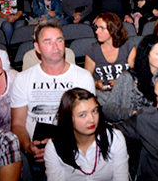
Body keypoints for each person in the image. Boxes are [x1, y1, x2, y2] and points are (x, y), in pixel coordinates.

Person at [10, 21, 96, 163]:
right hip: (36, 150)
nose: (55, 46)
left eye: (59, 40)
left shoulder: (83, 77)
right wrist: (28, 147)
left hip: (73, 147)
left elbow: (89, 121)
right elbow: (18, 124)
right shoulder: (23, 79)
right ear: (37, 47)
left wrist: (62, 146)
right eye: (47, 42)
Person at [101, 35, 158, 122]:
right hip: (130, 127)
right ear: (147, 55)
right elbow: (107, 110)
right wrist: (132, 113)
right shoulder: (128, 77)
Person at [85, 12, 134, 94]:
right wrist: (97, 84)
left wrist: (121, 82)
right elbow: (86, 78)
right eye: (97, 28)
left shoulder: (128, 48)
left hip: (126, 92)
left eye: (102, 28)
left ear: (113, 29)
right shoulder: (92, 50)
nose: (97, 31)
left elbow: (137, 75)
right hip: (102, 95)